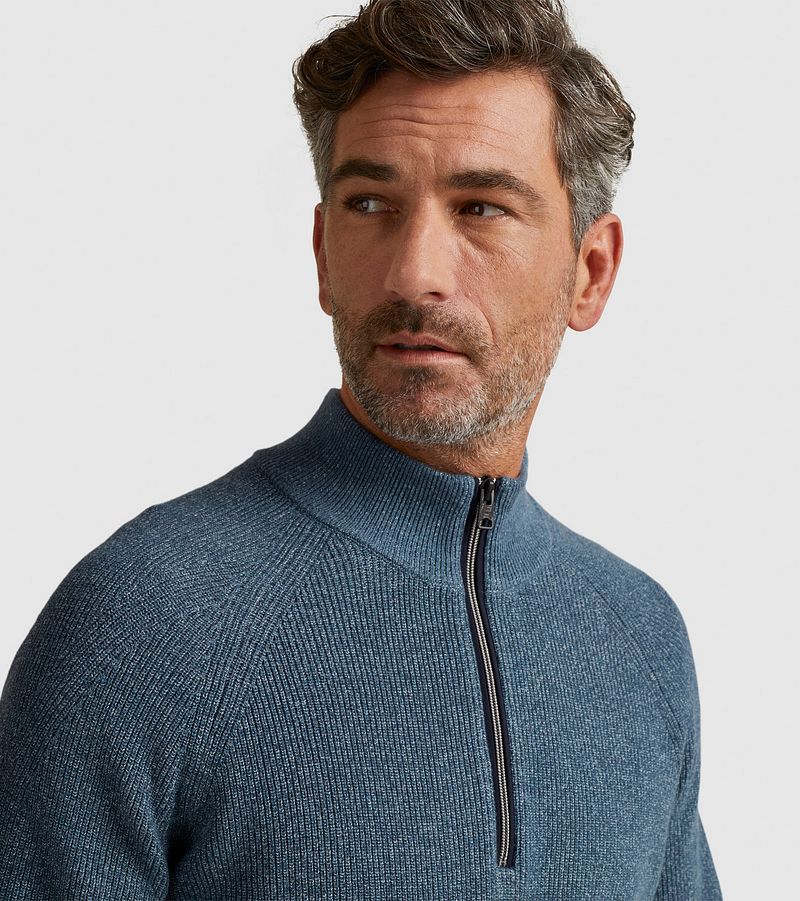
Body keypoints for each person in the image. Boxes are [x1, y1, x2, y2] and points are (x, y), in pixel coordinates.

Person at [0, 0, 722, 897]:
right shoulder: (143, 622)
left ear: (591, 270)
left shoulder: (640, 641)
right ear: (321, 252)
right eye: (371, 204)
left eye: (482, 207)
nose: (415, 272)